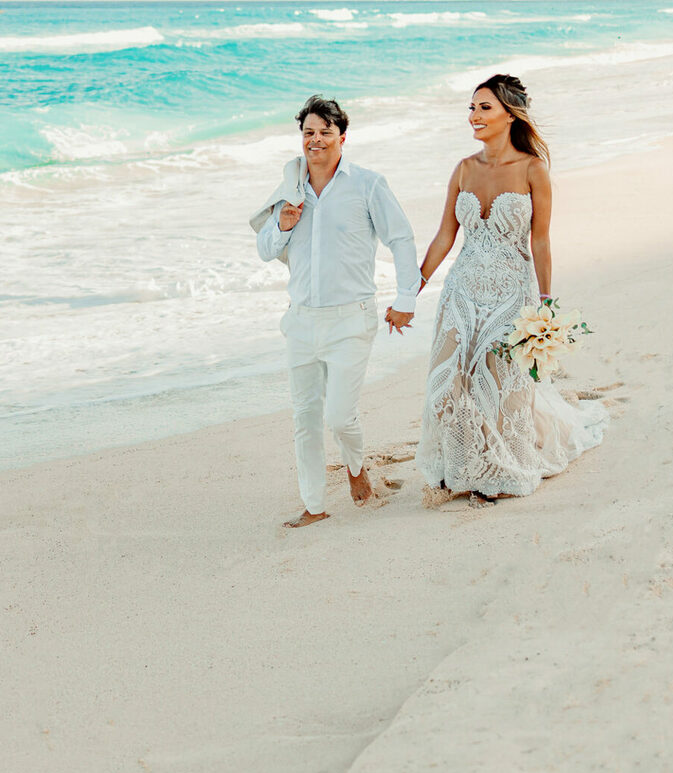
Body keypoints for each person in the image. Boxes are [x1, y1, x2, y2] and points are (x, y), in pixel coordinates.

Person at [413, 75, 606, 503]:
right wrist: (415, 286)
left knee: (500, 382)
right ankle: (456, 465)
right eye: (471, 108)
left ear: (509, 114)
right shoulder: (464, 168)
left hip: (509, 290)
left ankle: (501, 467)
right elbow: (446, 235)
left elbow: (540, 239)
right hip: (462, 291)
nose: (474, 116)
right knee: (451, 378)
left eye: (484, 108)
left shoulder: (533, 169)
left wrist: (545, 303)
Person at [252, 95, 421, 529]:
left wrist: (406, 298)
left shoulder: (367, 184)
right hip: (302, 320)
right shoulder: (289, 190)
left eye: (325, 132)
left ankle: (356, 466)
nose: (316, 140)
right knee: (305, 417)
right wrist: (282, 225)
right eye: (308, 132)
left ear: (342, 138)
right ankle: (313, 506)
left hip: (351, 318)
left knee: (339, 416)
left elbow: (400, 238)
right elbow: (266, 251)